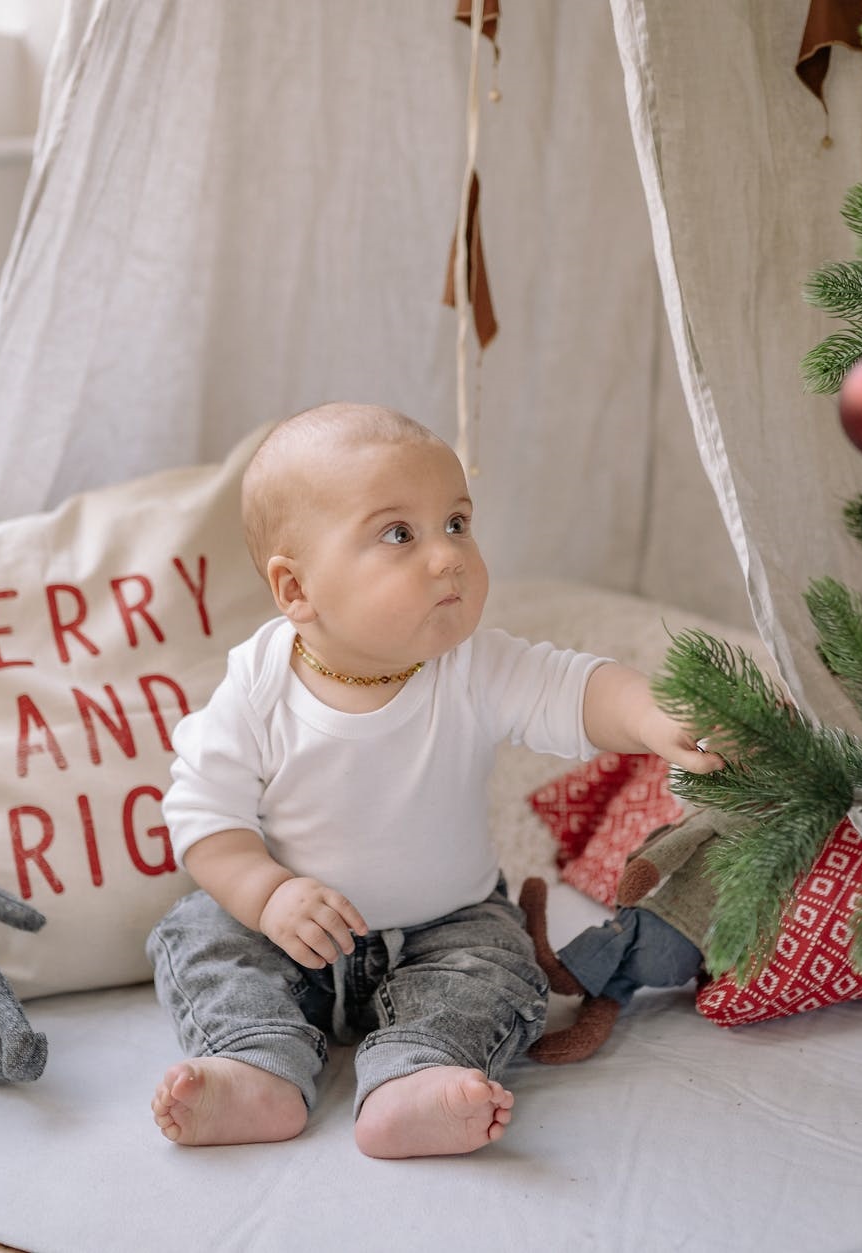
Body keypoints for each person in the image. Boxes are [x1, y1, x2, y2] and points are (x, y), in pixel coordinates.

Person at [148, 402, 722, 1159]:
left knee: (497, 960)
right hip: (295, 936)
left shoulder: (472, 667)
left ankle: (416, 1072)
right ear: (296, 590)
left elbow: (577, 690)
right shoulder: (258, 685)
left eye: (456, 522)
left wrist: (655, 717)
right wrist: (268, 892)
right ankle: (255, 1062)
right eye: (399, 534)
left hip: (445, 927)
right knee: (200, 931)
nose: (448, 555)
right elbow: (202, 811)